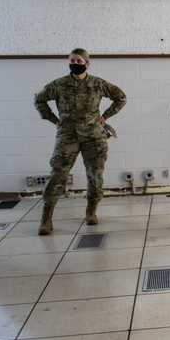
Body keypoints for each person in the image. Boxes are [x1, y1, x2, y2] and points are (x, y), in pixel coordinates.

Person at [33, 48, 126, 234]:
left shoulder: (97, 84)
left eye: (79, 61)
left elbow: (121, 97)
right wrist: (53, 120)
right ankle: (46, 218)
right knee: (58, 174)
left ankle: (91, 211)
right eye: (72, 61)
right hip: (67, 135)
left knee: (95, 174)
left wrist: (105, 117)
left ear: (87, 63)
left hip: (93, 135)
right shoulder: (59, 85)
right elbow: (39, 100)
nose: (75, 64)